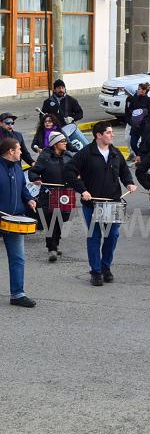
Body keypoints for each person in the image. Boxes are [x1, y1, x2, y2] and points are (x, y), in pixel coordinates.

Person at [65, 121, 137, 286]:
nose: (112, 135)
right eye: (109, 132)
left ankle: (106, 267)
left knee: (113, 235)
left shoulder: (115, 153)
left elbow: (125, 172)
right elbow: (69, 172)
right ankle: (95, 272)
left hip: (113, 203)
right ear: (98, 135)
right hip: (93, 203)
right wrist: (82, 190)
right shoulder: (85, 153)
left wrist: (129, 182)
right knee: (94, 237)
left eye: (112, 132)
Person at [0, 138, 37, 307]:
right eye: (19, 149)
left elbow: (23, 188)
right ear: (11, 152)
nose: (22, 152)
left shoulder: (17, 166)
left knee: (18, 258)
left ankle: (17, 295)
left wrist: (29, 199)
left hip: (14, 219)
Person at [27, 131, 72, 261]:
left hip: (65, 193)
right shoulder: (45, 157)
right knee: (51, 219)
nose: (65, 143)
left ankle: (56, 244)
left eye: (65, 141)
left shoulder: (69, 156)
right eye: (62, 141)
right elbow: (33, 172)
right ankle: (51, 248)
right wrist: (36, 179)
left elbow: (76, 170)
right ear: (55, 144)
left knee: (62, 219)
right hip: (49, 192)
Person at [124, 83, 150, 158]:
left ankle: (144, 159)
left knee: (144, 144)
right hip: (135, 126)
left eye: (139, 89)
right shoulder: (134, 99)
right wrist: (132, 119)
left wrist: (141, 119)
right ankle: (140, 156)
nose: (137, 90)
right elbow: (130, 109)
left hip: (145, 126)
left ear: (144, 91)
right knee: (133, 143)